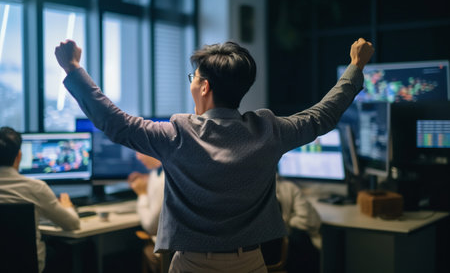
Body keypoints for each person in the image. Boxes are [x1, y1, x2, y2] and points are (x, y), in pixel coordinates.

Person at [55, 37, 374, 272]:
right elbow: (322, 116)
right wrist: (355, 67)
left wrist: (73, 68)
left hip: (190, 265)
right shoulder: (269, 131)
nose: (191, 85)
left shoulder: (174, 135)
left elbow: (114, 122)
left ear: (204, 87)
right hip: (251, 263)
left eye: (192, 78)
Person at [0, 126, 80, 273]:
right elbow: (72, 224)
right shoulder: (35, 188)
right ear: (19, 156)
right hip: (28, 267)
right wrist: (67, 206)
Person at [128, 152, 165, 273]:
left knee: (136, 249)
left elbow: (151, 227)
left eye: (140, 151)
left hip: (164, 250)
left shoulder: (163, 179)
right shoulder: (157, 172)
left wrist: (142, 194)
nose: (138, 157)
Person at [276, 176, 321, 273]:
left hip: (255, 254)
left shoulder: (287, 188)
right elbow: (310, 221)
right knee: (302, 239)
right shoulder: (287, 187)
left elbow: (306, 220)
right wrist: (289, 221)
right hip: (277, 252)